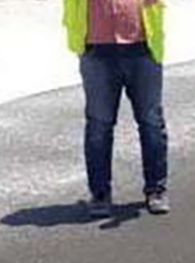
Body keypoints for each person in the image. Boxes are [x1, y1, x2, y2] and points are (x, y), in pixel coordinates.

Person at [62, 0, 170, 218]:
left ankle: (156, 190)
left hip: (142, 47)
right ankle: (100, 193)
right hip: (96, 50)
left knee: (151, 123)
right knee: (98, 126)